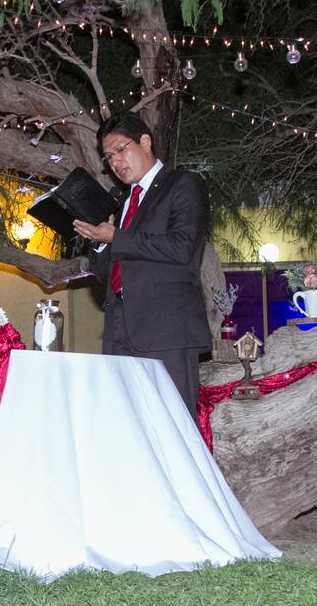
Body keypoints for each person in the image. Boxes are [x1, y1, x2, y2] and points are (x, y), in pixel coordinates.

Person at [72, 111, 211, 418]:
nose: (115, 162)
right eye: (108, 157)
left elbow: (183, 247)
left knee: (173, 428)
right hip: (120, 329)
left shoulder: (183, 184)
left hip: (167, 333)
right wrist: (99, 243)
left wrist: (117, 237)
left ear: (145, 142)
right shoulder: (121, 203)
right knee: (128, 430)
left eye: (120, 149)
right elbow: (109, 274)